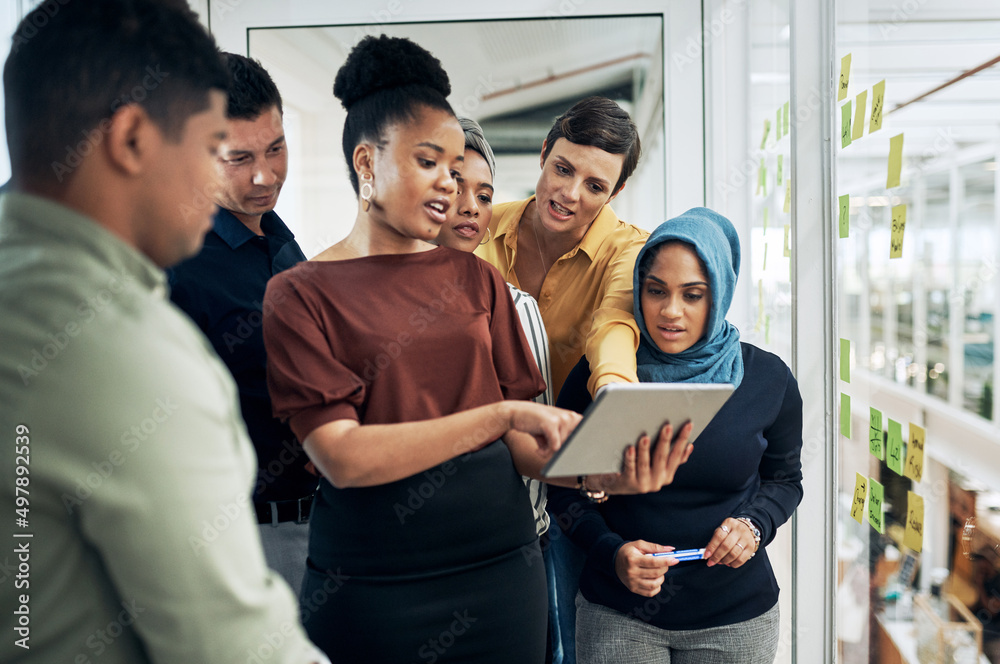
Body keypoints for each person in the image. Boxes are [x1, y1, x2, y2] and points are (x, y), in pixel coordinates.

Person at [261, 35, 686, 663]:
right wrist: (499, 416)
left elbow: (522, 447)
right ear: (367, 163)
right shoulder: (299, 293)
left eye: (458, 168)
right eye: (430, 163)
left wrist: (600, 471)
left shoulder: (478, 280)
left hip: (500, 575)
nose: (450, 187)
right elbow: (342, 456)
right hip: (374, 587)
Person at [0, 2, 326, 663]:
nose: (232, 178)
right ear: (132, 141)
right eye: (212, 149)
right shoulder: (122, 347)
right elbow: (235, 648)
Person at [548, 207, 804, 664]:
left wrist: (754, 526)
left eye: (693, 295)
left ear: (720, 293)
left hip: (736, 617)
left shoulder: (766, 378)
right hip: (618, 614)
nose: (670, 311)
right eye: (656, 291)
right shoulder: (605, 373)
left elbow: (785, 480)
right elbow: (561, 488)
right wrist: (612, 552)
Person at [168, 53, 317, 596]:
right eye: (239, 158)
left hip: (319, 525)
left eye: (276, 149)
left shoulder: (280, 238)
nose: (265, 174)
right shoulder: (176, 264)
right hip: (244, 538)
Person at [474, 95, 647, 399]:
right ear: (543, 154)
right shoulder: (479, 227)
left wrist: (618, 396)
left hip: (572, 434)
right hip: (480, 433)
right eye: (563, 169)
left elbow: (613, 326)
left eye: (594, 187)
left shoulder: (630, 251)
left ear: (615, 193)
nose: (569, 193)